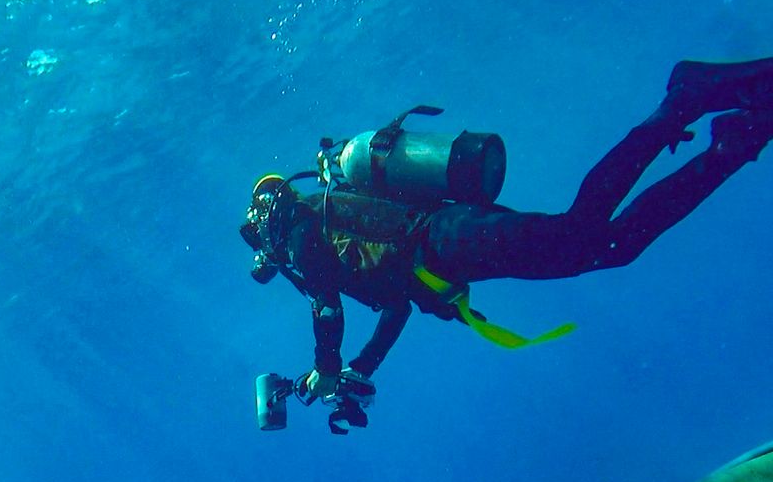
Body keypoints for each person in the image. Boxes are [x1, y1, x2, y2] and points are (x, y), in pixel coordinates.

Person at [240, 58, 773, 406]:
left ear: (267, 220)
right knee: (608, 246)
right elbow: (396, 305)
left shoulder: (302, 231)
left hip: (448, 238)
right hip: (450, 247)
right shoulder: (327, 237)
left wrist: (326, 369)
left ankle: (686, 101)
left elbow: (327, 309)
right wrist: (360, 369)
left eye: (256, 240)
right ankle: (732, 143)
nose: (264, 257)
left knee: (581, 233)